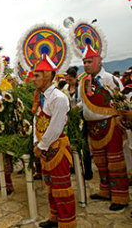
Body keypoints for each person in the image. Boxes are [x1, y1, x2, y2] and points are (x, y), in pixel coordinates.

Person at [79, 45, 129, 211]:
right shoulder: (84, 82)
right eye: (84, 62)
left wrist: (121, 116)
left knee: (114, 161)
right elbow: (83, 103)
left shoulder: (109, 79)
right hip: (93, 128)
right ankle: (105, 190)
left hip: (110, 125)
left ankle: (120, 196)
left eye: (89, 61)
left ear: (99, 61)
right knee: (100, 162)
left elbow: (121, 101)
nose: (86, 64)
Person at [32, 54, 76, 228]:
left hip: (57, 149)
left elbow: (56, 128)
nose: (33, 79)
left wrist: (41, 146)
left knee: (62, 188)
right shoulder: (41, 97)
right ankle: (54, 217)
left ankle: (67, 223)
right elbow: (37, 120)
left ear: (48, 75)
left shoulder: (58, 98)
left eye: (37, 75)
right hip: (45, 149)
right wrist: (37, 142)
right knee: (50, 186)